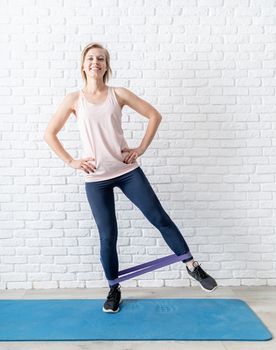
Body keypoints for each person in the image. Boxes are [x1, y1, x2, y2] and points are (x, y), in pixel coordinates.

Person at [44, 42, 217, 314]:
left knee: (159, 217)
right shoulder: (73, 100)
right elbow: (49, 134)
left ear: (106, 66)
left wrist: (141, 149)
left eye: (101, 59)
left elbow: (153, 115)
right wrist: (72, 161)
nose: (95, 62)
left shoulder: (118, 94)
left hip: (127, 172)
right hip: (95, 178)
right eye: (90, 58)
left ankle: (192, 266)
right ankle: (114, 289)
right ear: (83, 64)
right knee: (107, 236)